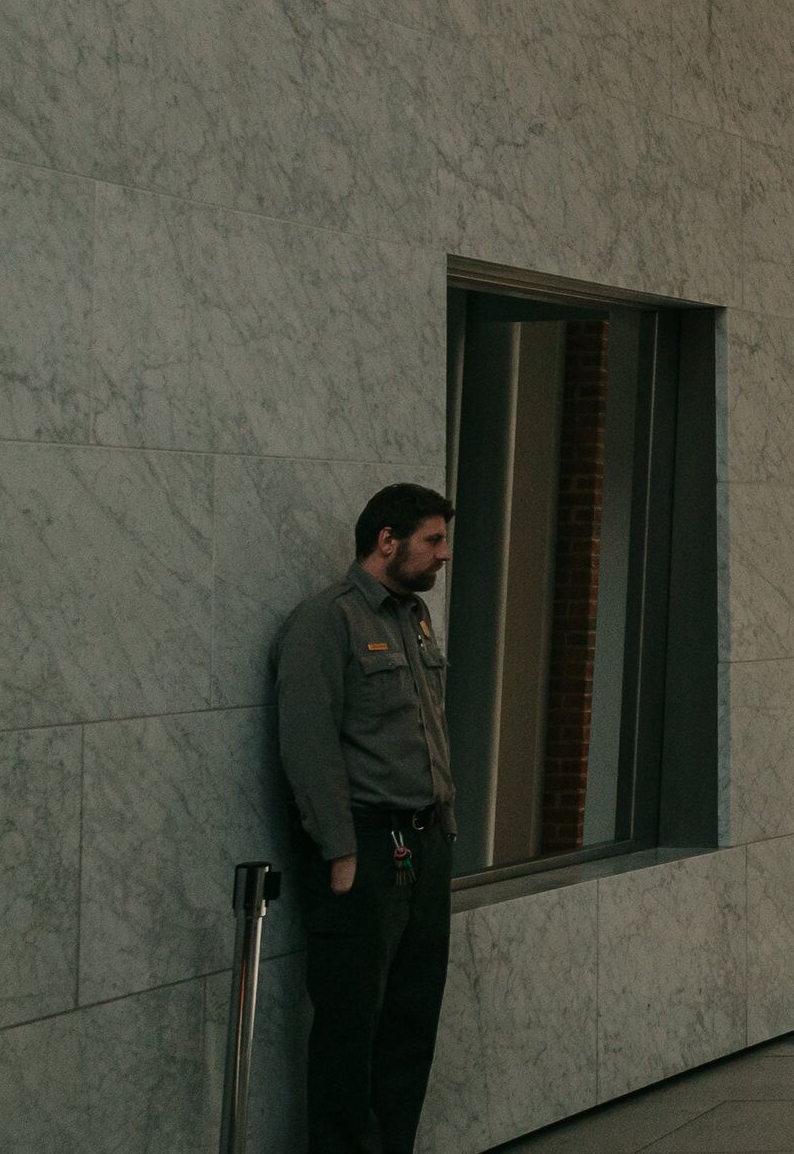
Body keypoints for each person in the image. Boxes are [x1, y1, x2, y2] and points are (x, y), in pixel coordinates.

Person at [275, 483, 458, 1154]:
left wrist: (447, 827)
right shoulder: (328, 621)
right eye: (432, 540)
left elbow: (428, 730)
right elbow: (307, 742)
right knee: (351, 1028)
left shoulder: (413, 621)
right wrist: (340, 851)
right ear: (388, 540)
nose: (444, 554)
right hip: (364, 850)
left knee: (412, 1021)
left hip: (424, 844)